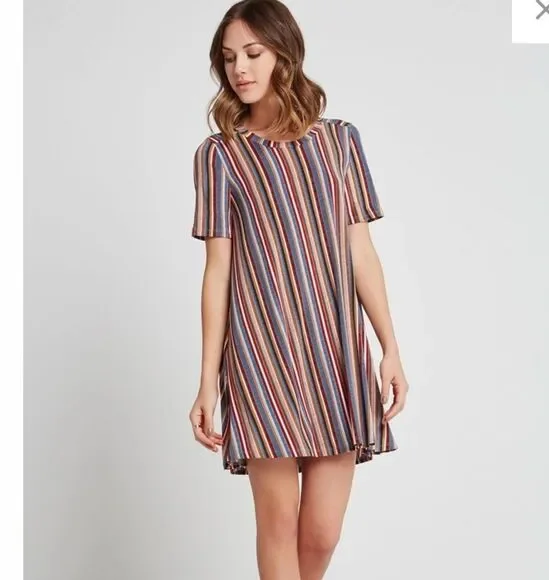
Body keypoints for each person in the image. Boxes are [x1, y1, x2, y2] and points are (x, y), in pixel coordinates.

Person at [188, 0, 409, 577]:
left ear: (284, 54)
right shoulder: (220, 155)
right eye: (228, 58)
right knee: (279, 522)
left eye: (253, 53)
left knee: (321, 532)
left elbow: (361, 252)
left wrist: (389, 347)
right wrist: (208, 381)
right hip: (260, 355)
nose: (239, 68)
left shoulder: (340, 141)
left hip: (334, 350)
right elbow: (217, 271)